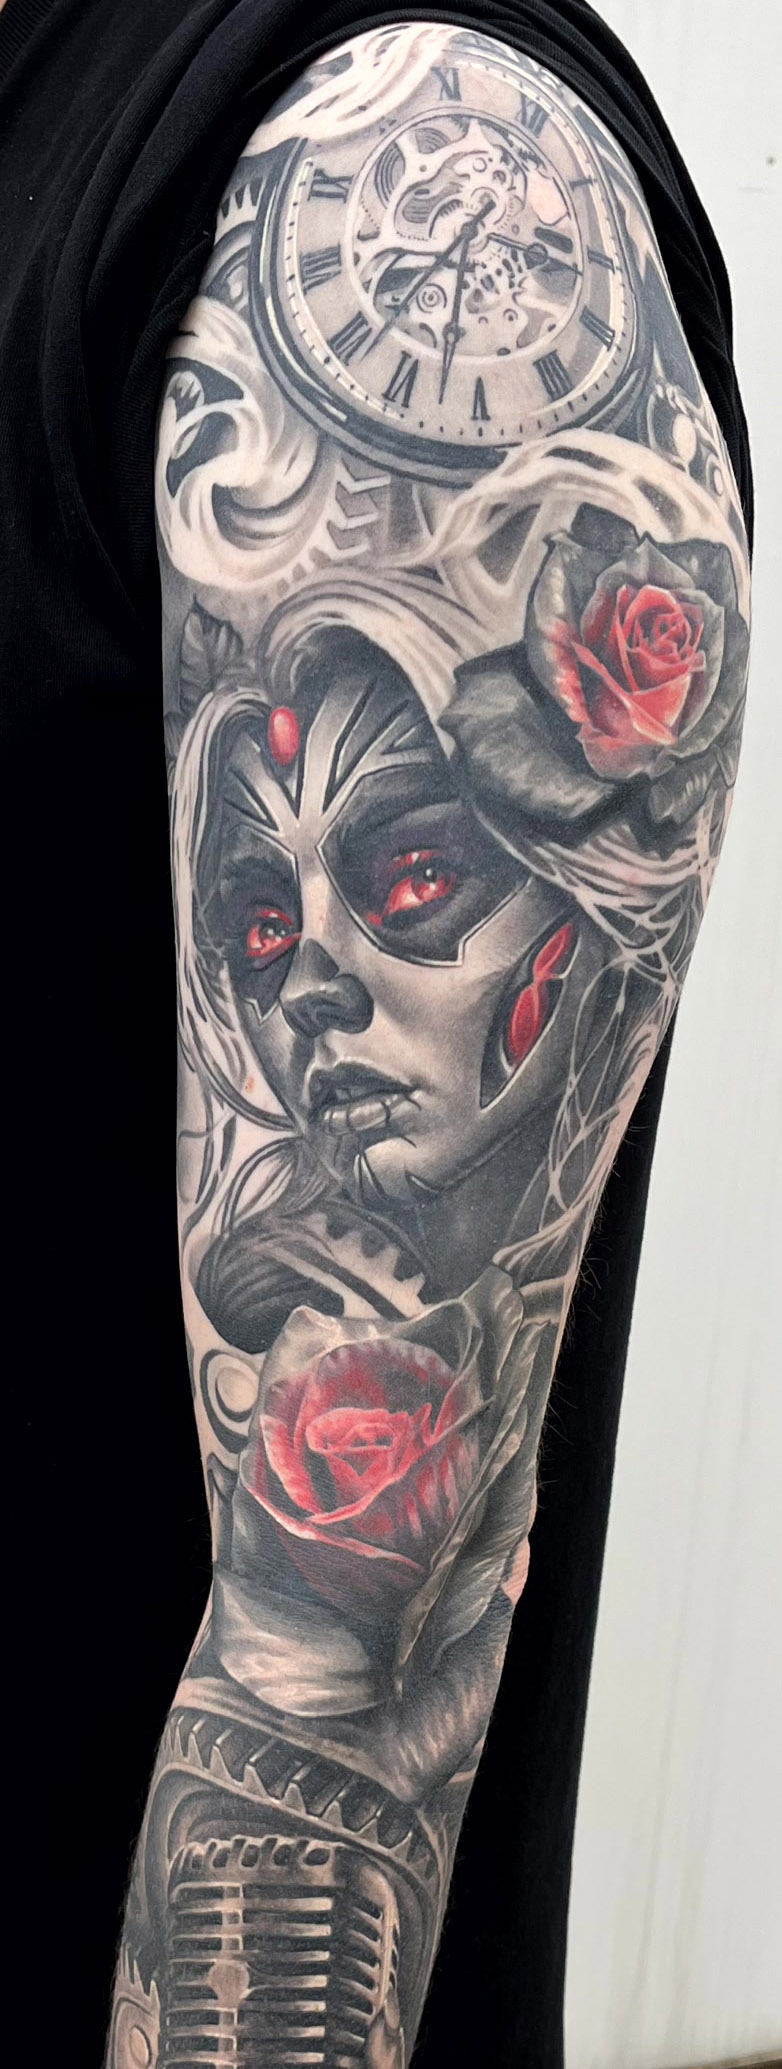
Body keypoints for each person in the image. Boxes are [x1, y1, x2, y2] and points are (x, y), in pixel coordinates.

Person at [0, 5, 752, 2065]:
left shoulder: (418, 144)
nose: (311, 973)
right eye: (268, 913)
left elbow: (341, 1705)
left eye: (409, 875)